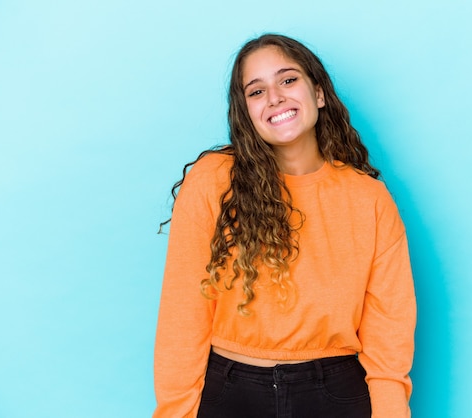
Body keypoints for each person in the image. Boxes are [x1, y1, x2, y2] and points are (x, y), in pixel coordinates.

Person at [153, 33, 416, 418]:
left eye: (288, 80)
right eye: (256, 91)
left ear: (319, 92)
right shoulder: (214, 181)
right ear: (246, 111)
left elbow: (389, 334)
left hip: (337, 394)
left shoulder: (370, 199)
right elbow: (183, 312)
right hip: (230, 394)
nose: (274, 97)